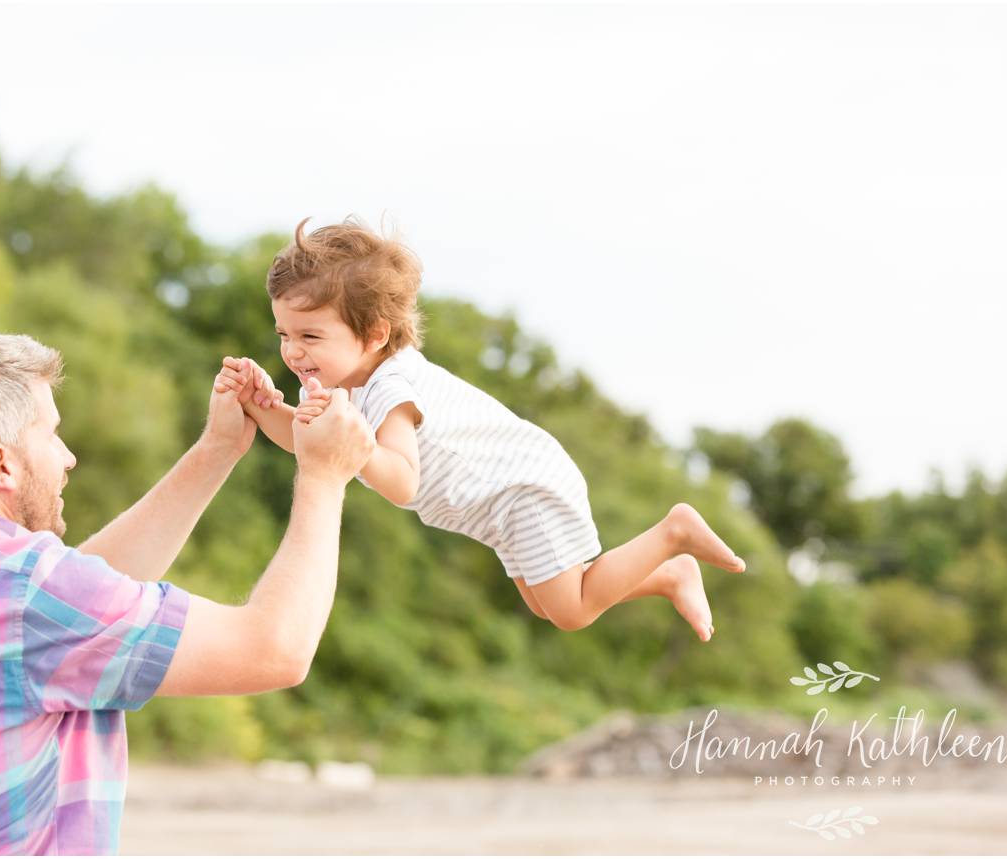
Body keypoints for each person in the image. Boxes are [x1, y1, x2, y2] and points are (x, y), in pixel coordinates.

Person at [0, 332, 375, 854]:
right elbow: (274, 651)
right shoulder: (31, 591)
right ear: (2, 465)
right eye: (50, 434)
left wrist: (216, 451)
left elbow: (74, 599)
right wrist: (324, 476)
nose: (68, 457)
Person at [220, 217, 747, 641]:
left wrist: (351, 444)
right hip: (494, 509)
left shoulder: (389, 387)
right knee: (545, 603)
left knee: (571, 610)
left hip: (522, 490)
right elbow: (312, 447)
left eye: (310, 334)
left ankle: (674, 531)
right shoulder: (348, 387)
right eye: (284, 333)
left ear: (375, 333)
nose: (292, 350)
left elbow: (400, 478)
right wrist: (261, 404)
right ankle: (669, 574)